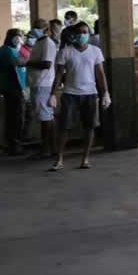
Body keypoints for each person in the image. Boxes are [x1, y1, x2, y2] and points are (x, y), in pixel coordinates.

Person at [49, 21, 108, 171]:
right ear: (74, 35)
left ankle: (85, 159)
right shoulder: (65, 52)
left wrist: (105, 92)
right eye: (80, 32)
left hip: (90, 93)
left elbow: (100, 74)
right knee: (64, 127)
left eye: (85, 32)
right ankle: (59, 159)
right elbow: (58, 75)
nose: (83, 35)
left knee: (90, 127)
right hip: (70, 94)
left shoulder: (95, 51)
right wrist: (53, 94)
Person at [26, 19, 62, 161]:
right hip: (38, 83)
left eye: (38, 27)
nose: (35, 29)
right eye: (34, 26)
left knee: (45, 118)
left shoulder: (47, 43)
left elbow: (46, 64)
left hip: (43, 83)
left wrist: (28, 62)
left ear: (46, 29)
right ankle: (51, 147)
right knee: (47, 117)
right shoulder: (39, 42)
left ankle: (46, 149)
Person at [0, 28, 28, 156]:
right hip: (12, 88)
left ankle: (16, 142)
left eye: (20, 36)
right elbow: (14, 69)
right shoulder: (6, 51)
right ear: (10, 37)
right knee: (15, 116)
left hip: (16, 87)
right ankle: (14, 144)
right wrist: (22, 89)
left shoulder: (14, 49)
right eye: (17, 36)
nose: (19, 39)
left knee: (16, 115)